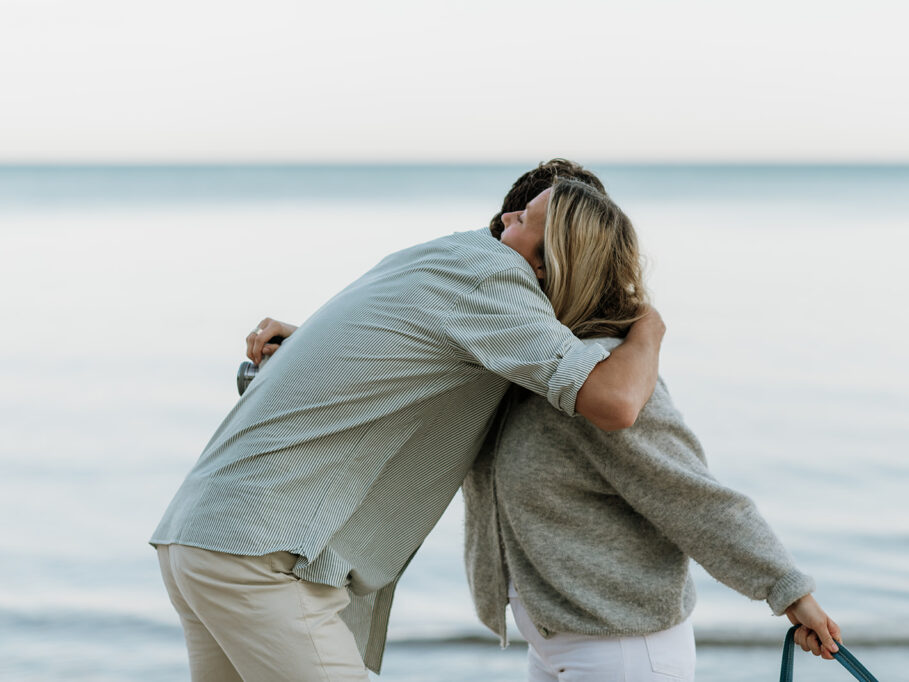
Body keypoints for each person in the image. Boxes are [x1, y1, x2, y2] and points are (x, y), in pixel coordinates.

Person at [150, 160, 666, 681]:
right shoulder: (494, 277)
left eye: (526, 217)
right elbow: (615, 403)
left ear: (552, 255)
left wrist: (301, 338)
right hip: (259, 558)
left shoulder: (440, 258)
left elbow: (391, 352)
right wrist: (648, 323)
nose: (506, 215)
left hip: (198, 539)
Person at [463, 189, 841, 681]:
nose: (506, 215)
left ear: (546, 264)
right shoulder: (532, 361)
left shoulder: (603, 375)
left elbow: (691, 495)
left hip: (623, 654)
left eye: (524, 217)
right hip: (558, 646)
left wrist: (790, 591)